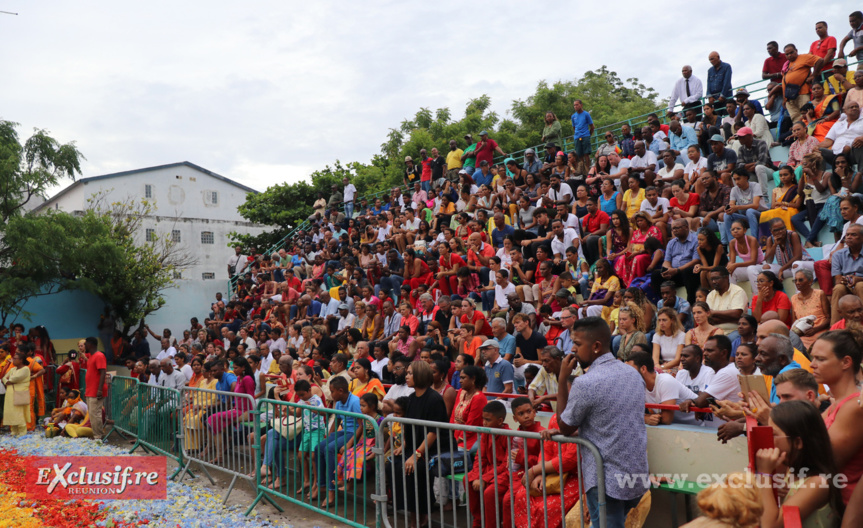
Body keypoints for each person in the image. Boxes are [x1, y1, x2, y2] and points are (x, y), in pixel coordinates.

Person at [556, 317, 648, 526]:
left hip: (605, 479)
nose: (572, 350)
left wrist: (562, 379)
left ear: (596, 346)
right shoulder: (632, 373)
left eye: (577, 344)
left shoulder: (585, 383)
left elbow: (564, 425)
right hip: (635, 472)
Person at [754, 401, 843, 527]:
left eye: (773, 435)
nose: (768, 440)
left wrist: (764, 474)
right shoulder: (790, 470)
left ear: (797, 443)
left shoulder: (818, 483)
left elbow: (771, 525)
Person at [392, 361, 450, 528]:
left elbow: (433, 432)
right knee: (393, 465)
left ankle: (422, 516)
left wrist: (416, 455)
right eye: (407, 373)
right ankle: (410, 513)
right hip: (416, 446)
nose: (406, 376)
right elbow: (409, 427)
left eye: (410, 373)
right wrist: (404, 446)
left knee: (415, 470)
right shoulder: (410, 398)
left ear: (420, 375)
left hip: (435, 448)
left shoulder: (434, 399)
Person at [811, 329, 863, 506]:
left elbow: (826, 461)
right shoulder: (838, 403)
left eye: (821, 359)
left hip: (841, 510)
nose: (812, 364)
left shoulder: (854, 407)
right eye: (813, 358)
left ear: (846, 362)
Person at [314, 375, 360, 507]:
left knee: (330, 449)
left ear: (340, 391)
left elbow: (361, 425)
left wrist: (350, 443)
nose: (331, 394)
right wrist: (329, 436)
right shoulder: (339, 402)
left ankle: (331, 490)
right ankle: (322, 484)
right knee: (319, 447)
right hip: (343, 431)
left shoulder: (355, 402)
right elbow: (337, 420)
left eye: (332, 391)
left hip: (353, 434)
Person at [464, 400, 511, 528]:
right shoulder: (486, 433)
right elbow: (480, 457)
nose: (484, 423)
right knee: (467, 479)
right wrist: (478, 476)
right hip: (488, 469)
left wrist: (484, 478)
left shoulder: (509, 436)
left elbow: (506, 464)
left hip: (504, 472)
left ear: (500, 421)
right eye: (483, 419)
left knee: (490, 492)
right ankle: (478, 519)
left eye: (488, 420)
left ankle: (491, 524)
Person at [627, 350, 697, 426]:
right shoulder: (637, 384)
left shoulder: (666, 381)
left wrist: (645, 418)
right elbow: (628, 413)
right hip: (678, 429)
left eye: (630, 370)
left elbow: (666, 419)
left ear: (643, 369)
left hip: (697, 428)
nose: (627, 374)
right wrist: (646, 418)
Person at [651, 219, 699, 304]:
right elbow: (667, 261)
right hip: (674, 272)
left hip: (688, 272)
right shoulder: (671, 242)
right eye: (673, 229)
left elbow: (696, 260)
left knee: (688, 272)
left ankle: (691, 304)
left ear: (686, 227)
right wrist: (668, 270)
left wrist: (677, 270)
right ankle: (661, 303)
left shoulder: (696, 240)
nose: (674, 230)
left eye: (677, 228)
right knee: (656, 275)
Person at [782, 44, 825, 124]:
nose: (789, 55)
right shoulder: (786, 64)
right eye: (787, 54)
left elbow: (820, 60)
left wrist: (813, 76)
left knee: (807, 114)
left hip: (803, 93)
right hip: (789, 97)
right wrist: (784, 99)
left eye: (791, 52)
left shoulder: (804, 57)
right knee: (795, 119)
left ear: (796, 51)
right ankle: (800, 133)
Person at [830, 224, 863, 325]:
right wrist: (844, 280)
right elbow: (838, 279)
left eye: (853, 235)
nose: (849, 237)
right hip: (846, 285)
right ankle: (834, 328)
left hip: (861, 283)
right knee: (838, 288)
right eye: (847, 235)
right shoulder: (838, 255)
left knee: (860, 285)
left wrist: (858, 279)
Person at [791, 269, 831, 349]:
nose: (797, 283)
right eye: (795, 280)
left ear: (810, 281)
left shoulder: (820, 294)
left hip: (820, 331)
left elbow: (829, 318)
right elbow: (794, 322)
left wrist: (815, 330)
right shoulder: (793, 298)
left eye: (800, 280)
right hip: (802, 334)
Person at [83, 336, 108, 440]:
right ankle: (96, 434)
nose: (84, 346)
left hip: (96, 390)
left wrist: (99, 389)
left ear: (90, 344)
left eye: (85, 344)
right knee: (92, 414)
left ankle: (98, 436)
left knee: (95, 414)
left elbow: (103, 372)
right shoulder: (91, 356)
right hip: (90, 390)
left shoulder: (99, 356)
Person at [0, 351, 30, 436]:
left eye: (15, 358)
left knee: (19, 412)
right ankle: (14, 430)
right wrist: (7, 381)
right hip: (10, 393)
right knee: (11, 412)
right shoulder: (13, 369)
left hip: (19, 394)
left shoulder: (25, 369)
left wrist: (9, 380)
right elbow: (4, 378)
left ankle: (22, 431)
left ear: (21, 360)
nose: (13, 360)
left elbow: (14, 379)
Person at [653, 307, 685, 373]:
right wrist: (657, 365)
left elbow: (677, 359)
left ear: (672, 320)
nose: (661, 323)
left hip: (676, 367)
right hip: (661, 365)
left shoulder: (681, 335)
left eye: (664, 320)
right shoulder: (657, 336)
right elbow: (655, 357)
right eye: (659, 320)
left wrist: (662, 367)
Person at [570, 100, 595, 175]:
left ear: (581, 105)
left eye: (577, 105)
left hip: (585, 135)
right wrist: (576, 134)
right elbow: (574, 127)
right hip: (577, 137)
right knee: (579, 154)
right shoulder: (573, 116)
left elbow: (592, 126)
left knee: (586, 153)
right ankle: (582, 169)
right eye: (574, 105)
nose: (575, 106)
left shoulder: (586, 114)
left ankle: (587, 169)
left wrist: (588, 135)